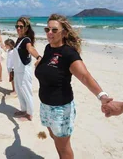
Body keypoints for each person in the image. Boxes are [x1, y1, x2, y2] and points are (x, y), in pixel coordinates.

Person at [34, 14, 112, 159]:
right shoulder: (48, 48)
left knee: (63, 147)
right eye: (47, 29)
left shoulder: (69, 54)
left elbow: (85, 76)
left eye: (54, 30)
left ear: (64, 33)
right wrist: (40, 63)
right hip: (45, 105)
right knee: (55, 138)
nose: (49, 33)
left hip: (60, 109)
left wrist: (102, 96)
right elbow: (49, 66)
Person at [13, 17, 42, 121]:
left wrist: (38, 57)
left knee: (26, 91)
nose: (18, 28)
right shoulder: (19, 39)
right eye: (17, 26)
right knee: (20, 92)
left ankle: (29, 114)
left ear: (26, 28)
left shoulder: (26, 40)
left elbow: (31, 49)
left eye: (21, 26)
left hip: (24, 71)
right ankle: (24, 110)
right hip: (17, 71)